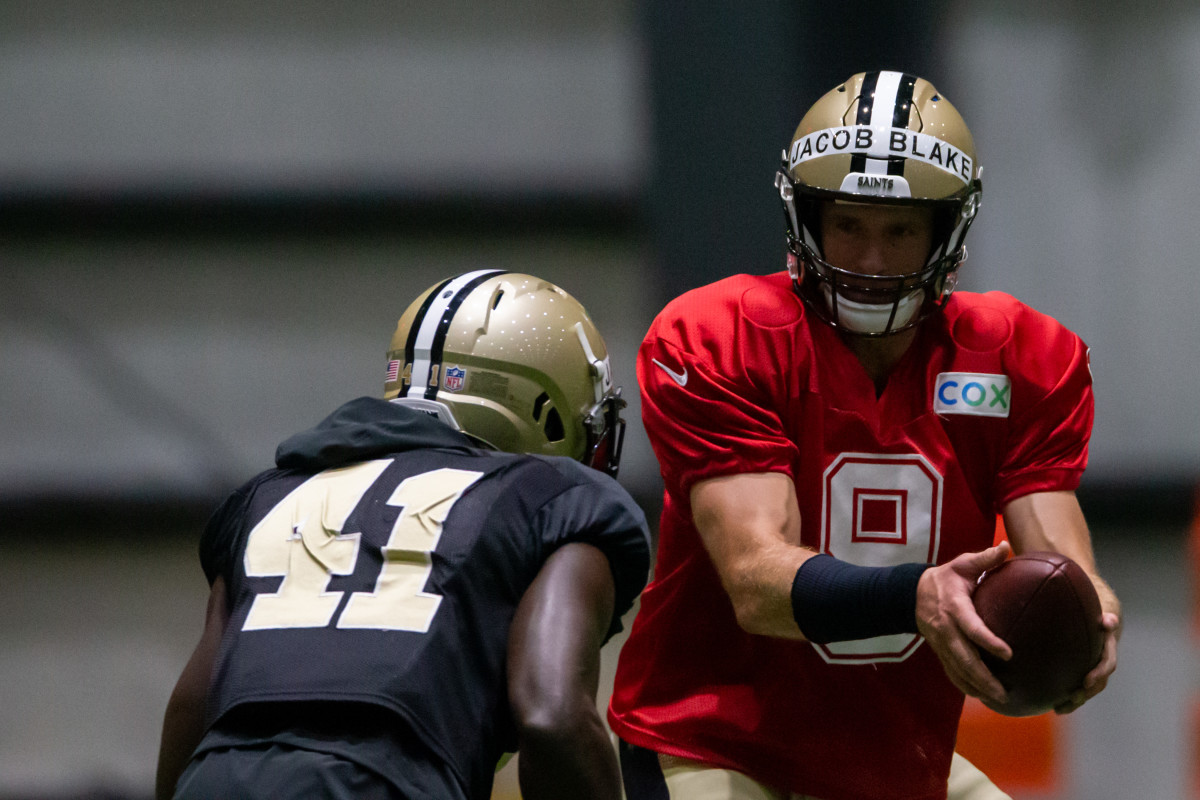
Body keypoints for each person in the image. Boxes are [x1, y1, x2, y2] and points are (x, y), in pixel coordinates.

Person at [607, 70, 1122, 800]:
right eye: (848, 225)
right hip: (716, 743)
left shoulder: (1020, 356)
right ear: (807, 219)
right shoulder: (725, 337)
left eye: (901, 231)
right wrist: (917, 594)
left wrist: (1090, 614)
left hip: (888, 760)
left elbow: (1053, 546)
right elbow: (757, 578)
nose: (872, 261)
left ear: (947, 232)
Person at [155, 270, 651, 800]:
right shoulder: (555, 500)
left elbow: (193, 708)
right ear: (548, 412)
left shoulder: (269, 496)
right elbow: (552, 716)